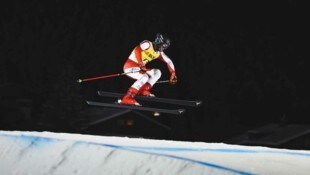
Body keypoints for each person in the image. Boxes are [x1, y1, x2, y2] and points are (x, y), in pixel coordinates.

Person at [120, 33, 177, 106]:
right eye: (163, 46)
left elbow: (169, 61)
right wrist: (141, 64)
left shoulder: (158, 53)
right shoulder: (148, 44)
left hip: (140, 68)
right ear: (158, 42)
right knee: (145, 77)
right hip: (130, 66)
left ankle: (143, 89)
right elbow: (137, 50)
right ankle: (127, 98)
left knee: (157, 72)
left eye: (165, 47)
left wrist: (173, 73)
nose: (163, 49)